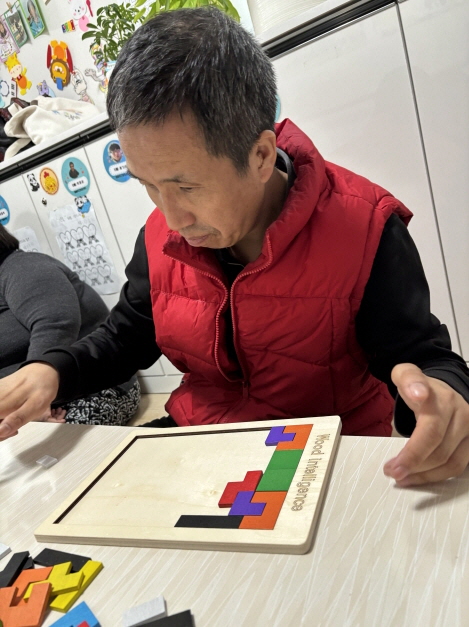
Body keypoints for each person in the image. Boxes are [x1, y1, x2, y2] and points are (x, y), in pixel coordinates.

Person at [1, 8, 469, 488]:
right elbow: (126, 337)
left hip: (322, 459)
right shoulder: (159, 235)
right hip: (204, 442)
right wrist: (53, 372)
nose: (171, 219)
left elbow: (423, 359)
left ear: (261, 155)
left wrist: (445, 395)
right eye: (148, 185)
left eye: (186, 187)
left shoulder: (366, 227)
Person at [0, 224, 140, 425]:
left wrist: (37, 403)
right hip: (25, 397)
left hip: (92, 389)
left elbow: (55, 325)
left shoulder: (23, 268)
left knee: (38, 441)